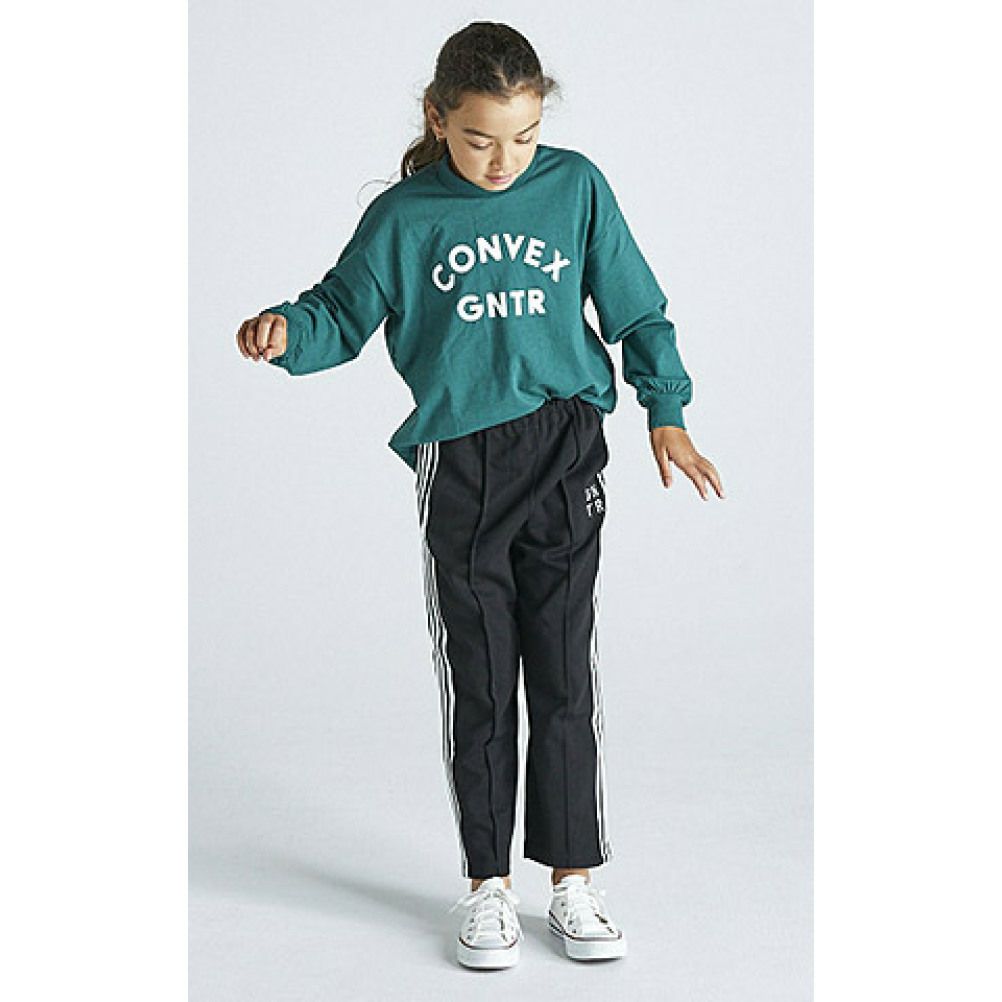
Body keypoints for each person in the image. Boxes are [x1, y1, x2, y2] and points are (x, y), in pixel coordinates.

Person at [236, 20, 724, 970]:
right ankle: (489, 886)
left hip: (565, 444)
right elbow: (339, 312)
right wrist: (285, 332)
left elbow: (637, 308)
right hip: (462, 461)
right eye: (478, 139)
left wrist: (665, 410)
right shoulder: (405, 216)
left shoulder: (575, 187)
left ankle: (574, 881)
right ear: (437, 119)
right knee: (483, 676)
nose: (503, 161)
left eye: (524, 137)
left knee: (565, 669)